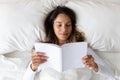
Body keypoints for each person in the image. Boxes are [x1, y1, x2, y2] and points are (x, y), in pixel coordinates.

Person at [23, 6, 114, 80]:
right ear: (52, 26)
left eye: (68, 25)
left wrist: (95, 66)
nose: (64, 29)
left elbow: (111, 74)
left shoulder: (83, 49)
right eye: (59, 25)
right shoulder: (42, 50)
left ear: (72, 26)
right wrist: (33, 67)